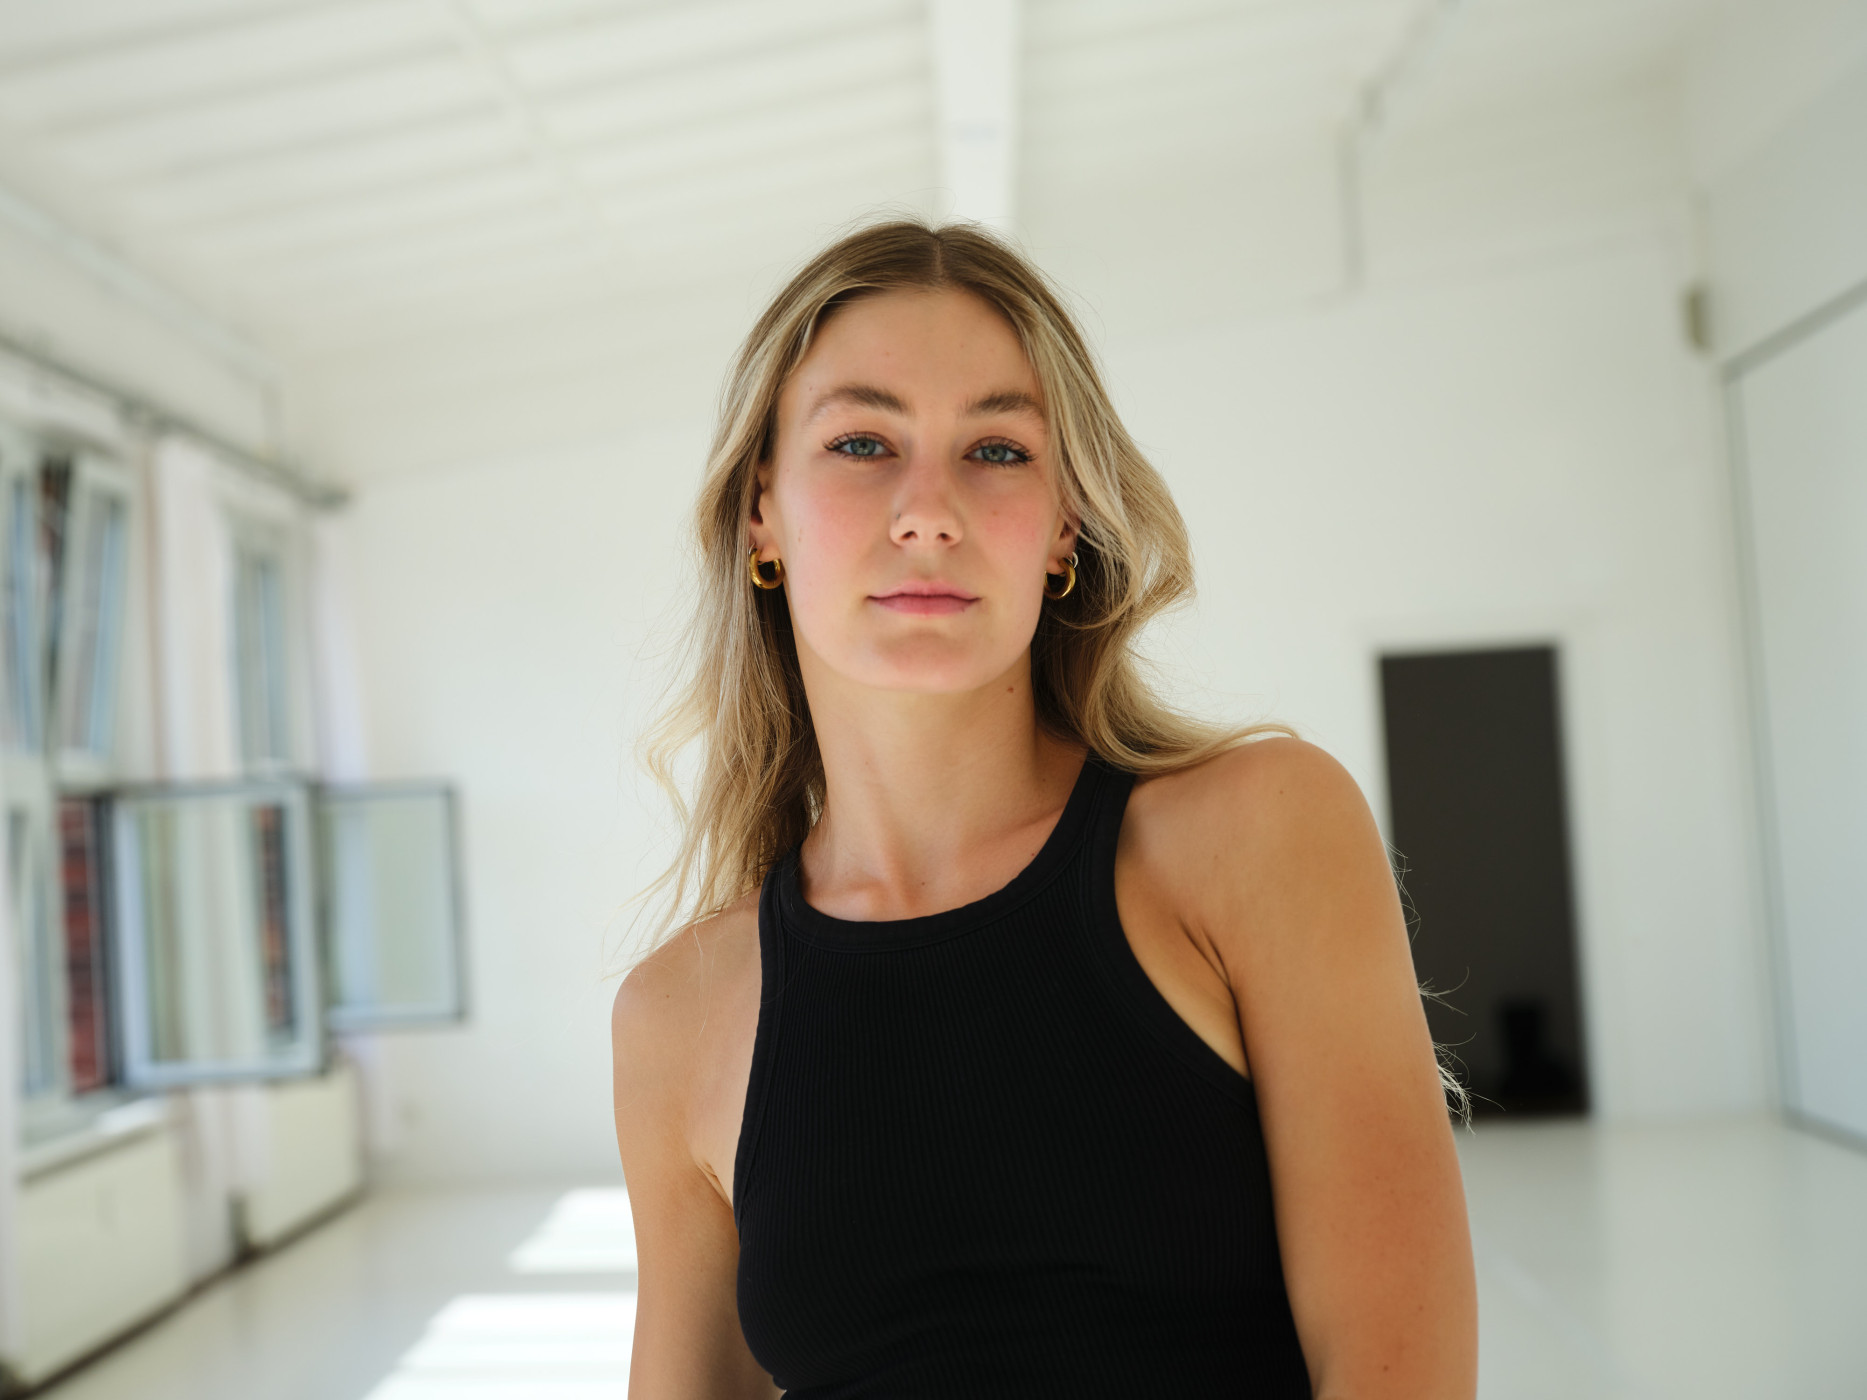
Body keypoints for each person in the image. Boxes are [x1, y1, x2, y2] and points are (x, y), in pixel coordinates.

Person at [612, 220, 1477, 1398]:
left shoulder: (1260, 835)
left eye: (998, 449)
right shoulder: (682, 1014)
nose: (929, 511)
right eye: (861, 442)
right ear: (760, 508)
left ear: (1066, 521)